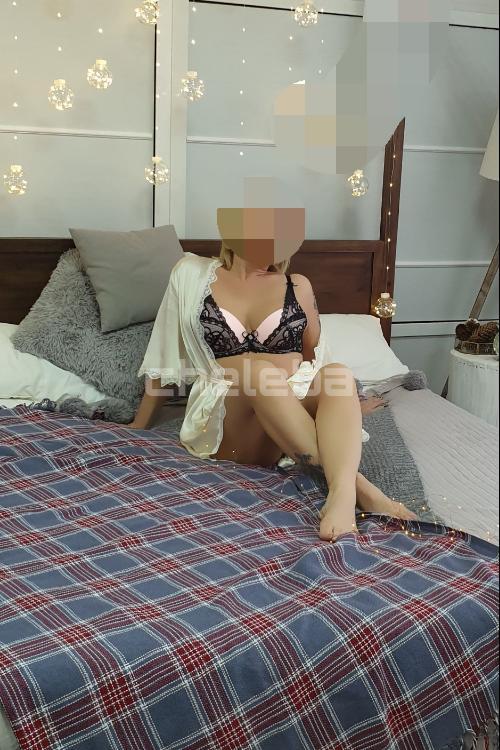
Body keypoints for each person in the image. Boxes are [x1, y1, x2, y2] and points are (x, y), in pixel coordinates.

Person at [132, 242, 416, 541]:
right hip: (232, 422)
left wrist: (345, 403)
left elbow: (316, 359)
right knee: (259, 372)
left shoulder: (299, 286)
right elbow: (164, 355)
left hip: (286, 412)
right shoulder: (191, 273)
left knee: (338, 373)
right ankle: (362, 489)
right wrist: (139, 425)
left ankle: (342, 496)